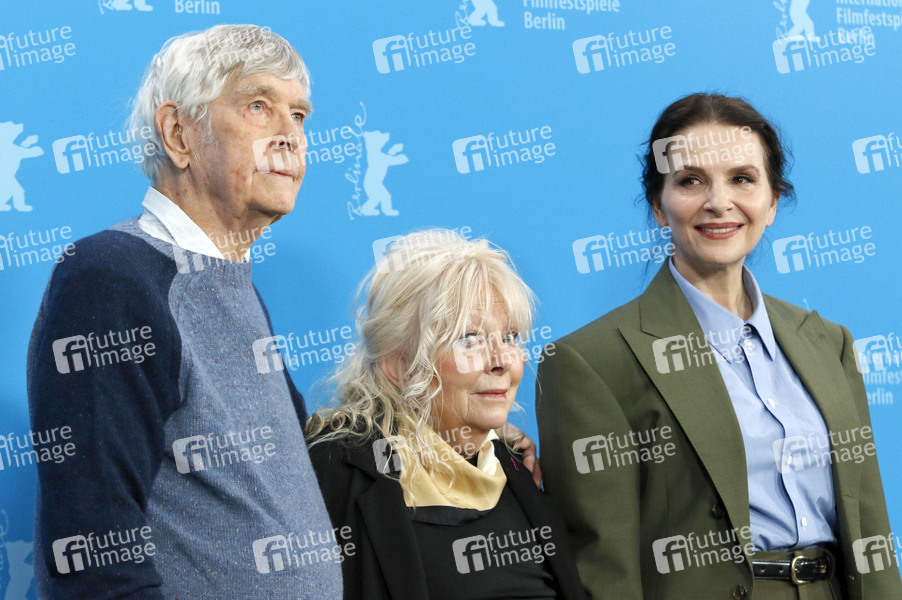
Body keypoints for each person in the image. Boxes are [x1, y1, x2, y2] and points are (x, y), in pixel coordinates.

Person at [536, 93, 902, 599]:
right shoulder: (590, 363)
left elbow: (870, 528)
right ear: (658, 206)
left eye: (742, 178)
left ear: (772, 203)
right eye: (690, 180)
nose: (719, 201)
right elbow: (604, 569)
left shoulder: (829, 343)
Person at [27, 25, 343, 598]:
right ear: (178, 135)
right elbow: (92, 550)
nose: (291, 137)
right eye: (258, 106)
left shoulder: (229, 282)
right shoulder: (111, 275)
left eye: (299, 115)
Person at [306, 229, 586, 600]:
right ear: (400, 365)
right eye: (469, 339)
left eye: (510, 337)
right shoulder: (333, 471)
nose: (502, 361)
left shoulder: (516, 465)